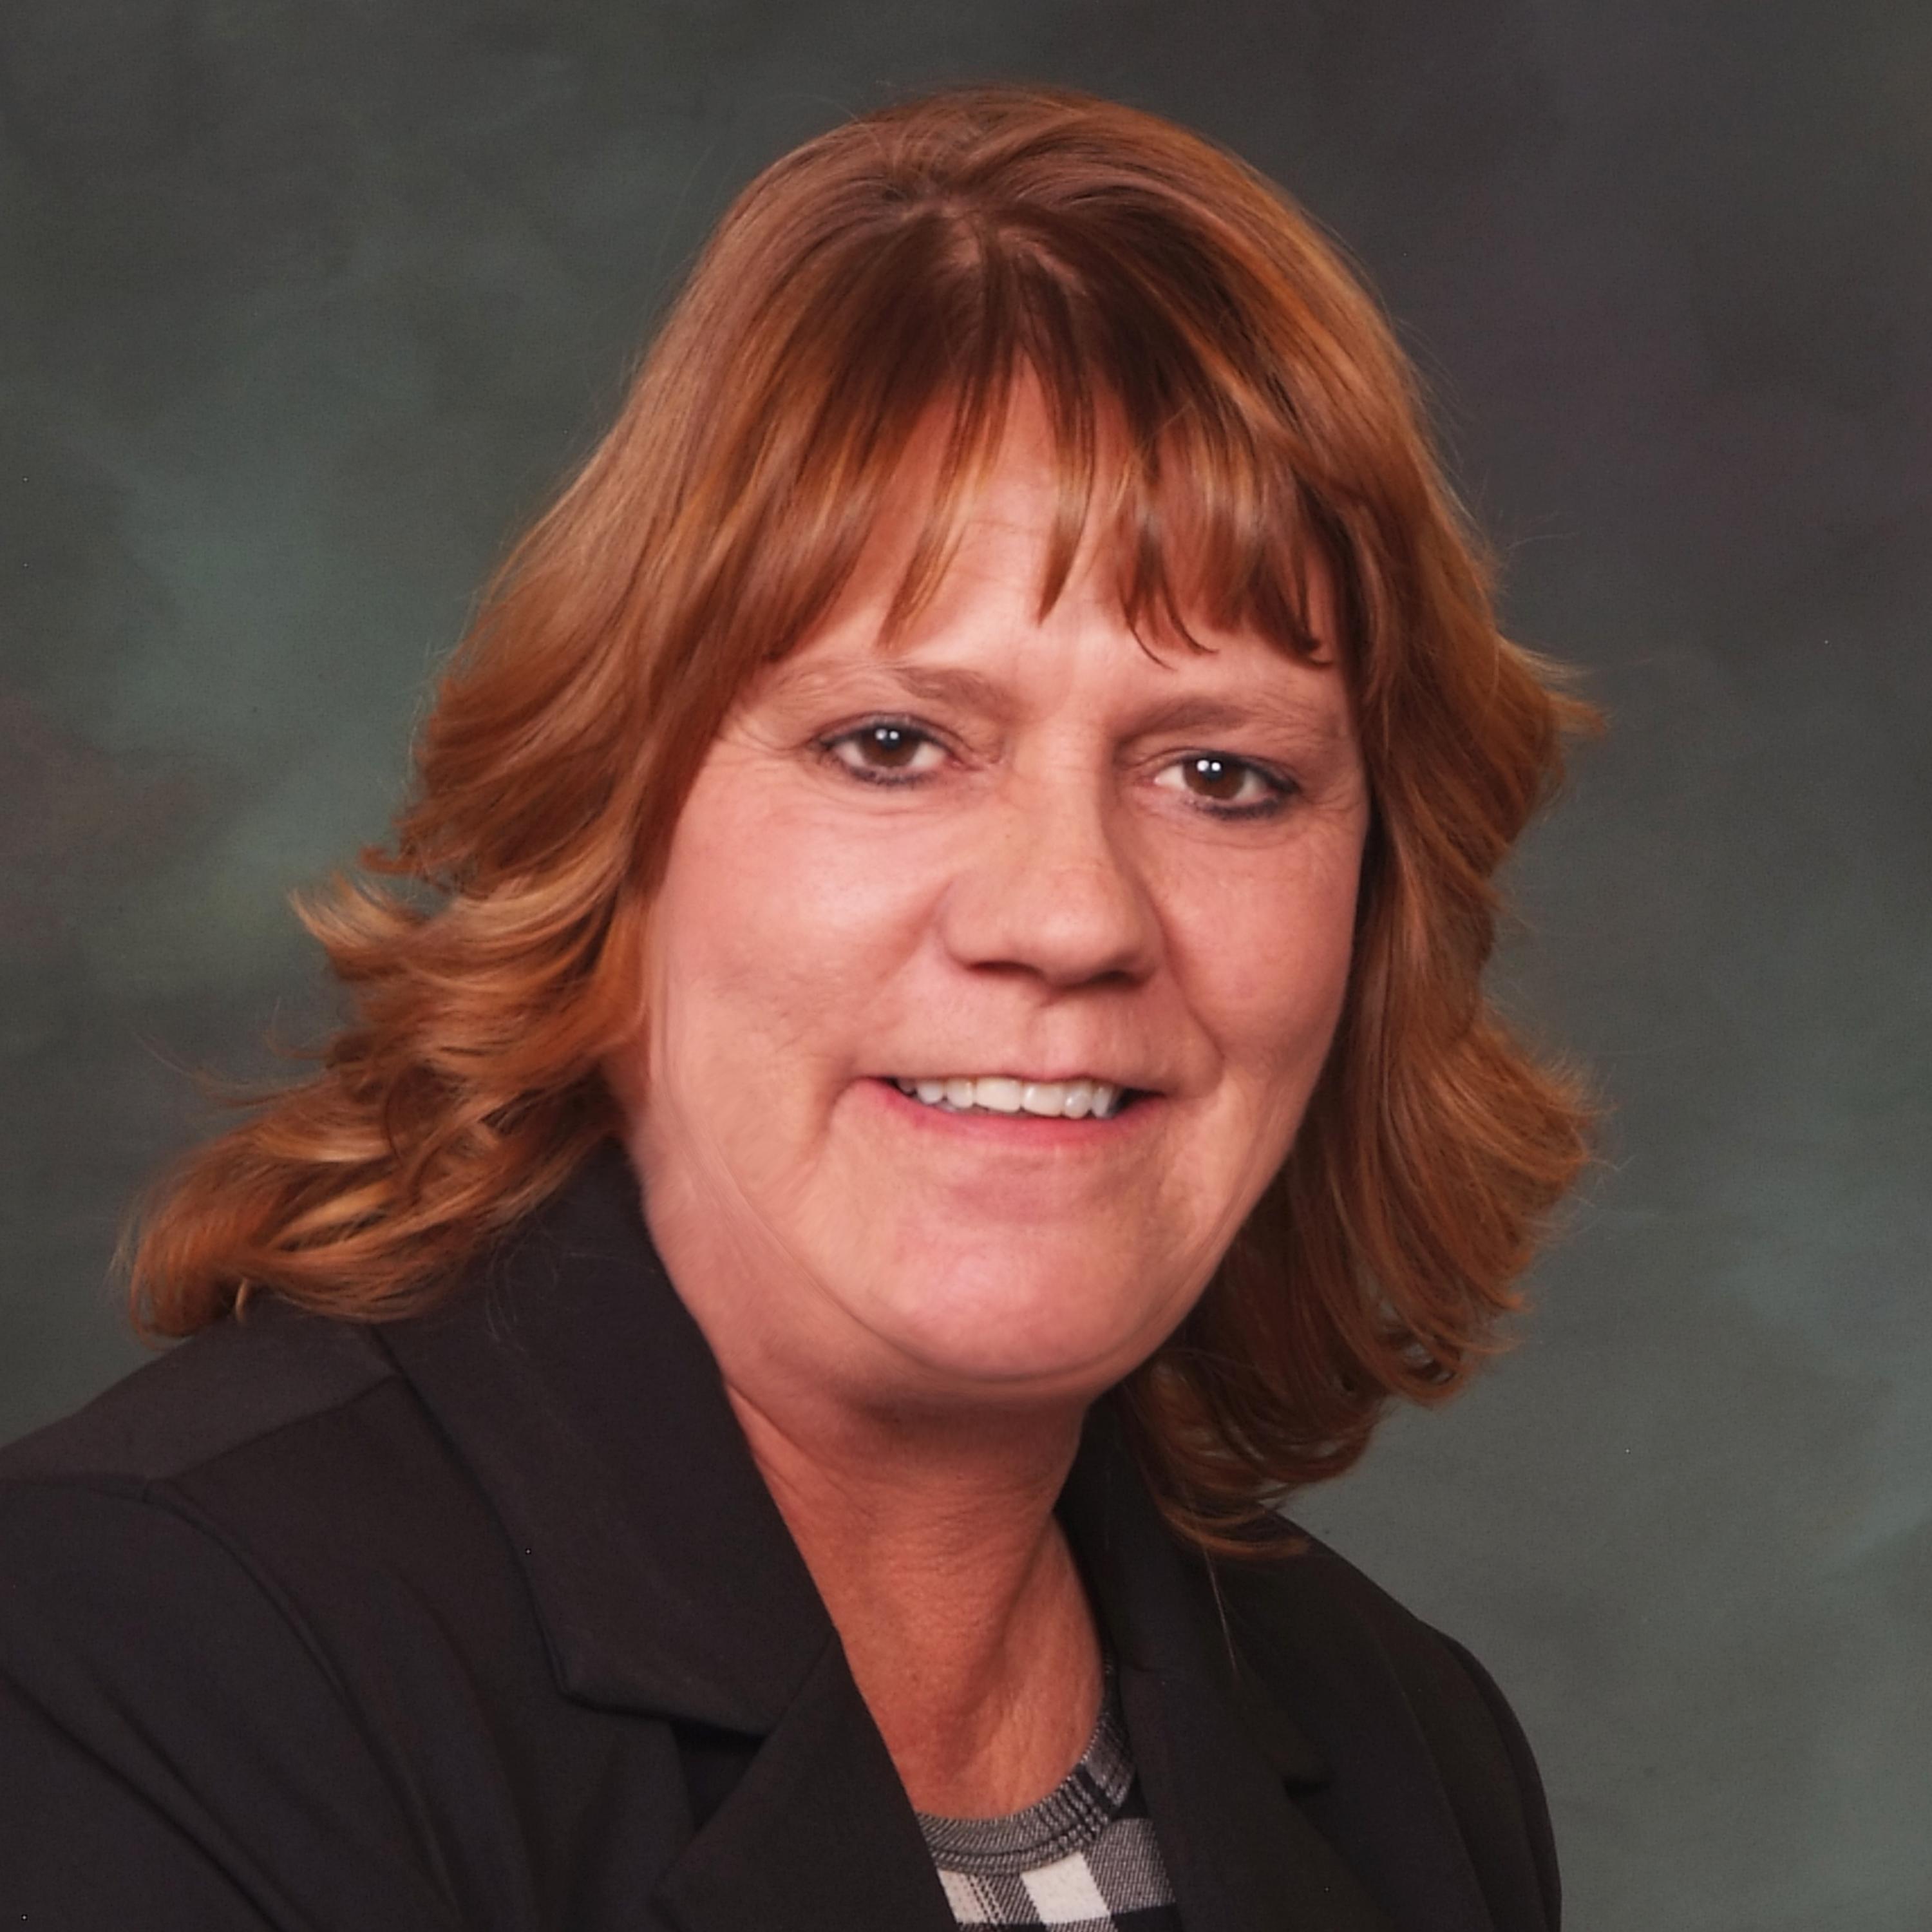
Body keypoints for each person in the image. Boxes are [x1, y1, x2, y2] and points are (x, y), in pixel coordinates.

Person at [0, 83, 1593, 1931]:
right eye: (895, 744)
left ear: (1372, 904)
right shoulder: (144, 1662)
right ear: (618, 838)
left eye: (1224, 774)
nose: (1071, 916)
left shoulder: (1410, 1762)